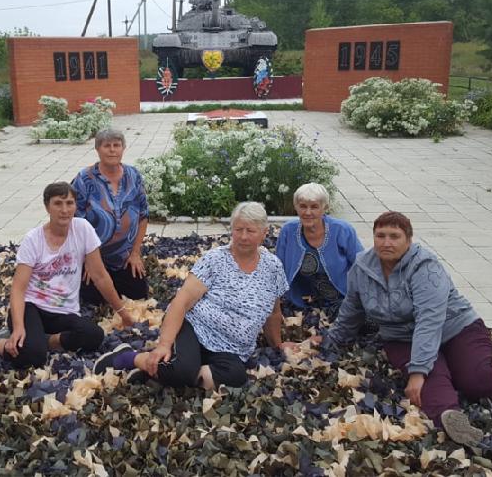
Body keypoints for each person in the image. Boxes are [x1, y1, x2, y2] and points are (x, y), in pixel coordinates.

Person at [315, 211, 492, 445]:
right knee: (430, 384)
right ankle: (450, 418)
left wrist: (417, 371)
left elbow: (430, 319)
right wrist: (330, 341)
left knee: (474, 380)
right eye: (380, 235)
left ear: (409, 240)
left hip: (456, 329)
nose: (386, 242)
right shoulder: (362, 267)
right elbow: (352, 310)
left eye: (395, 236)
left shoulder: (425, 267)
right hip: (402, 338)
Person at [93, 202, 301, 390]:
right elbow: (181, 302)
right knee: (183, 371)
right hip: (195, 327)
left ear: (265, 233)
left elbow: (273, 311)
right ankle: (129, 358)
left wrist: (277, 344)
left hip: (233, 348)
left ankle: (160, 372)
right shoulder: (215, 260)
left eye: (251, 231)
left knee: (237, 377)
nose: (244, 236)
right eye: (238, 229)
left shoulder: (272, 266)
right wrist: (164, 344)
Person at [0, 182, 134, 368]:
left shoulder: (83, 229)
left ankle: (42, 341)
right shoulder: (33, 240)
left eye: (69, 203)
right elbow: (18, 289)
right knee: (32, 357)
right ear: (47, 207)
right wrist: (19, 327)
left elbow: (99, 275)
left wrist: (122, 313)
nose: (64, 210)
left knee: (94, 336)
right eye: (58, 203)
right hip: (32, 307)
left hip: (64, 312)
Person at [72, 129, 150, 306]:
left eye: (117, 145)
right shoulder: (85, 179)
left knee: (138, 295)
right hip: (94, 257)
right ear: (98, 149)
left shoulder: (133, 176)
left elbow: (143, 216)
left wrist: (136, 253)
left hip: (125, 256)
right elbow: (75, 222)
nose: (112, 150)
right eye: (106, 146)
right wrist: (88, 261)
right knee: (92, 301)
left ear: (123, 148)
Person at [275, 183, 363, 316]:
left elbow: (363, 265)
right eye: (303, 206)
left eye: (314, 207)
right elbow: (277, 266)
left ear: (325, 208)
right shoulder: (288, 230)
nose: (308, 212)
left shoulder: (342, 230)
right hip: (299, 301)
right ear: (296, 207)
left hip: (341, 299)